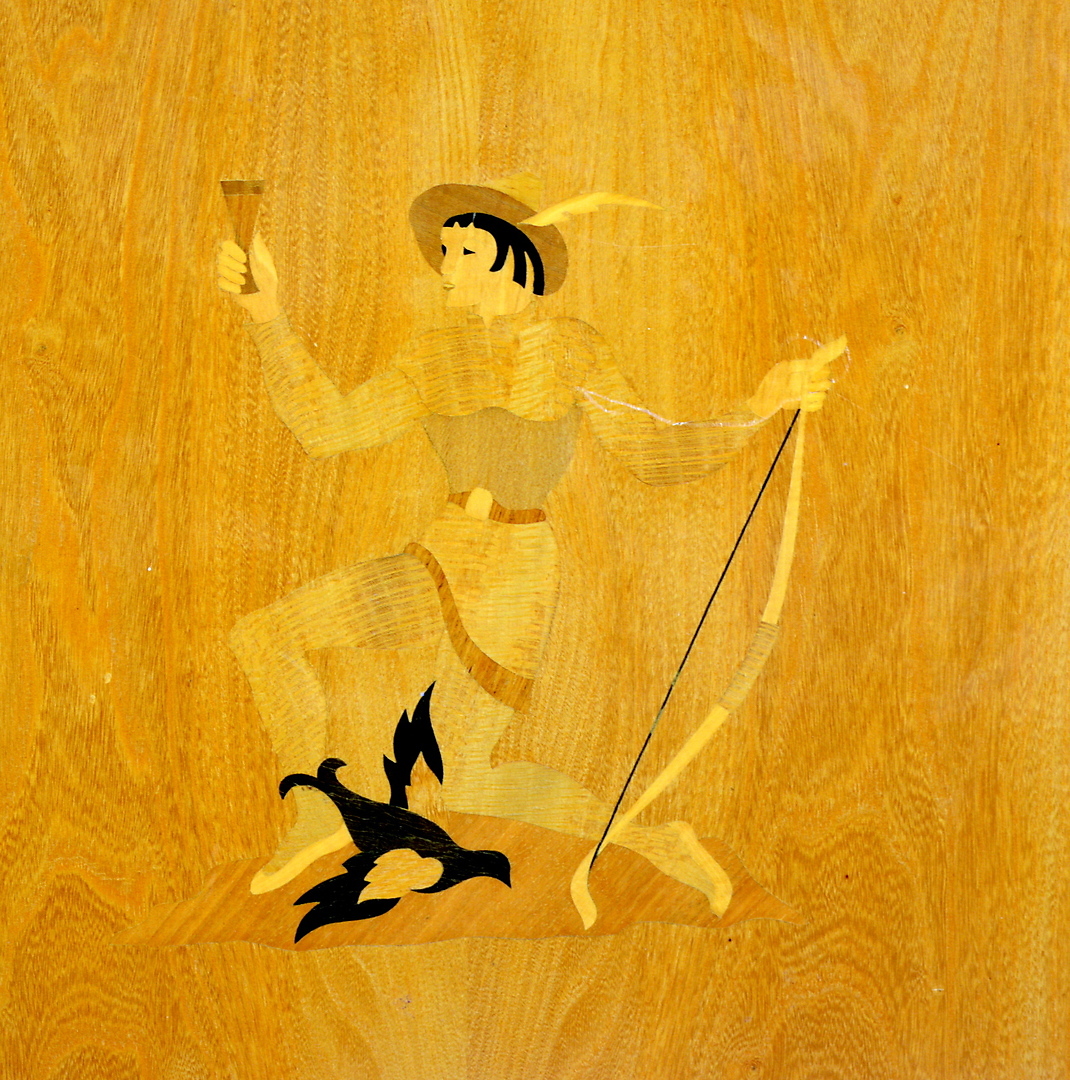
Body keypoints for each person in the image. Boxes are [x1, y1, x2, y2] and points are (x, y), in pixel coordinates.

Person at [217, 178, 836, 904]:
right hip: (440, 553)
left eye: (463, 250)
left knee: (467, 780)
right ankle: (315, 816)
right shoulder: (437, 353)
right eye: (443, 251)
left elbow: (654, 455)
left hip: (514, 576)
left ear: (513, 256)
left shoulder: (572, 350)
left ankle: (649, 840)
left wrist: (761, 403)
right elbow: (329, 429)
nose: (445, 266)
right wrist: (267, 316)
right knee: (265, 636)